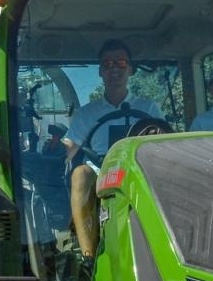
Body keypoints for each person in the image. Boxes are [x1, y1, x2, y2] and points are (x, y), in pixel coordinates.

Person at [62, 40, 164, 262]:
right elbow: (69, 147)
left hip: (141, 174)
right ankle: (88, 257)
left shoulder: (149, 108)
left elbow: (163, 145)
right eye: (108, 64)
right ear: (101, 71)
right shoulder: (87, 113)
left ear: (130, 69)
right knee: (80, 173)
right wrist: (53, 151)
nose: (114, 69)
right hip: (100, 177)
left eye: (121, 63)